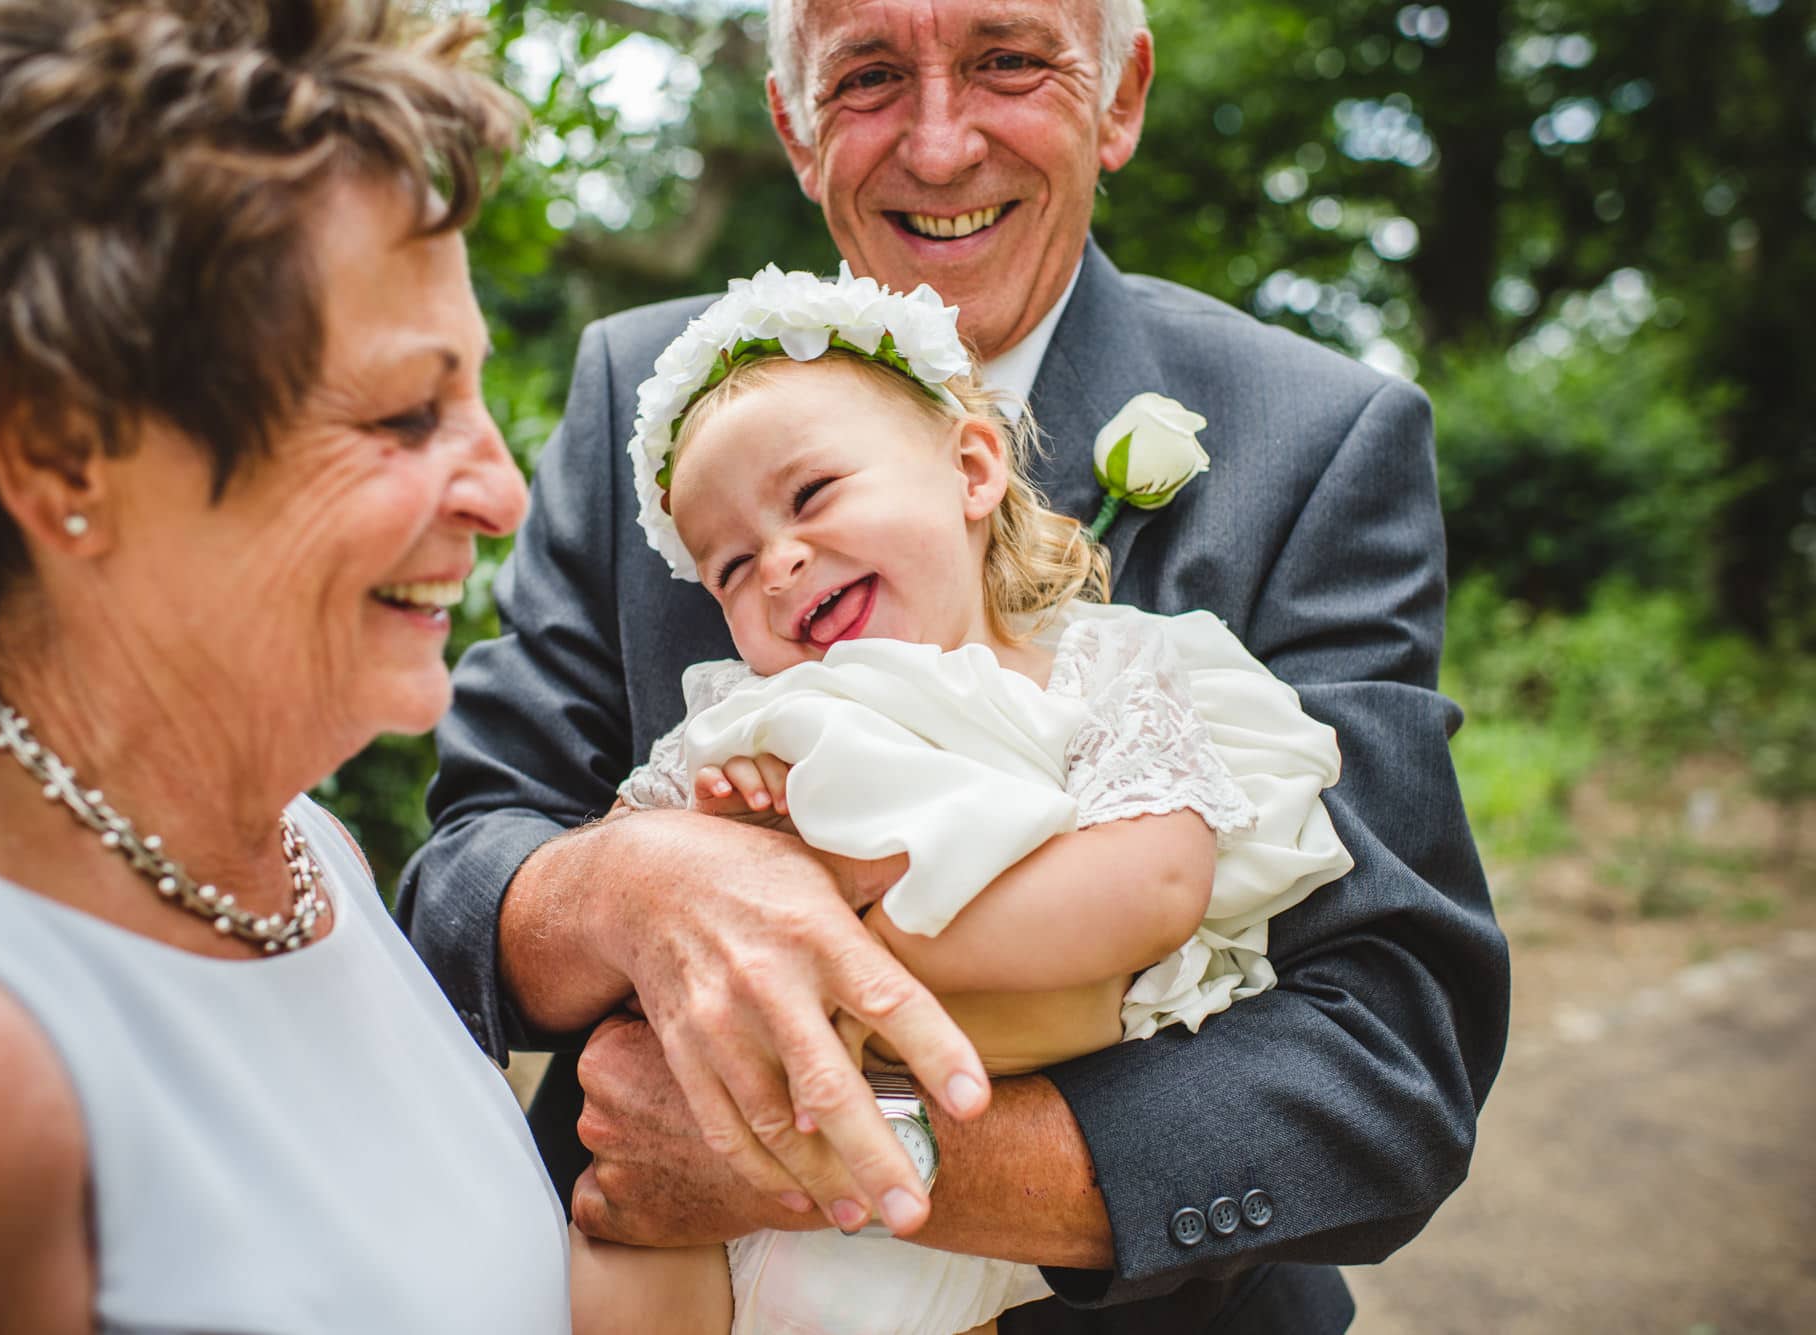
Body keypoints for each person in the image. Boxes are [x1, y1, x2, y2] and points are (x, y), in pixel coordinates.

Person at [399, 0, 1510, 1329]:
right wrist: (630, 884)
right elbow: (460, 888)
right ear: (792, 129)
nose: (938, 147)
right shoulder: (643, 395)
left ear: (1120, 95)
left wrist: (837, 1160)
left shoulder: (1319, 439)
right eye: (867, 77)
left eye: (1008, 60)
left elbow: (1388, 1070)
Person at [0, 2, 569, 1330]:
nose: (503, 490)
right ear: (60, 456)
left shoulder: (298, 845)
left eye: (473, 397)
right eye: (404, 414)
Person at [568, 265, 1356, 1335]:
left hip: (964, 1199)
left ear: (972, 466)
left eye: (809, 497)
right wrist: (714, 837)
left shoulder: (1097, 677)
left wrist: (840, 915)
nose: (779, 562)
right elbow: (631, 889)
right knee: (614, 1238)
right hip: (720, 1204)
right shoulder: (748, 717)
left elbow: (1156, 880)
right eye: (730, 565)